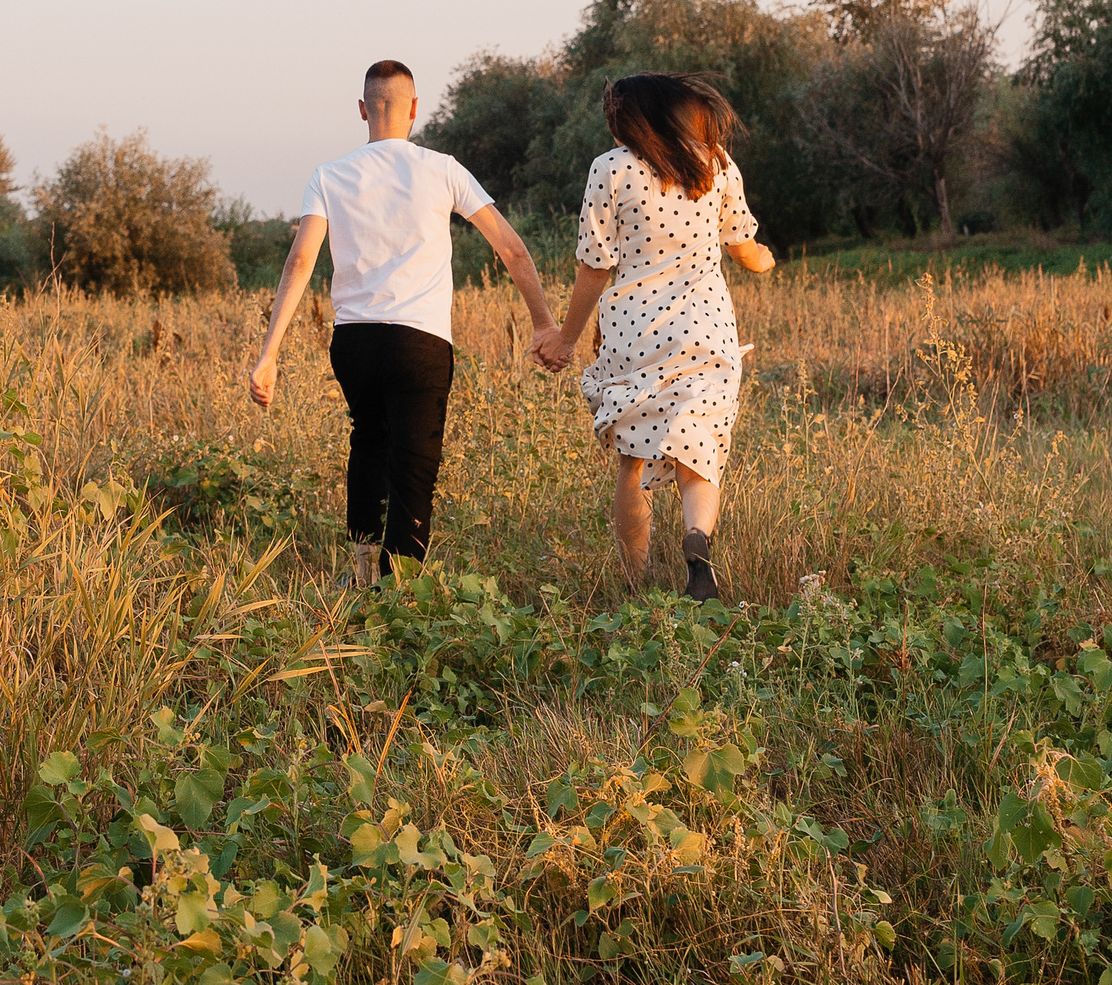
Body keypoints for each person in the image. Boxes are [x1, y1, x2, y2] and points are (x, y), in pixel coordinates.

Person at [248, 59, 556, 586]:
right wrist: (544, 324)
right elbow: (512, 249)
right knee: (414, 464)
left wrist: (269, 353)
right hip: (421, 341)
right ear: (415, 110)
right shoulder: (443, 169)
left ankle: (363, 574)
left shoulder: (330, 175)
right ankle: (402, 592)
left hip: (354, 342)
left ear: (363, 110)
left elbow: (300, 261)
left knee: (368, 442)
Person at [534, 73, 773, 601]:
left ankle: (634, 583)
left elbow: (594, 267)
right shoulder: (717, 163)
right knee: (700, 449)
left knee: (631, 459)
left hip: (633, 332)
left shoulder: (610, 169)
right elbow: (746, 249)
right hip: (707, 328)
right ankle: (696, 538)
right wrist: (766, 259)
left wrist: (566, 338)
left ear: (629, 120)